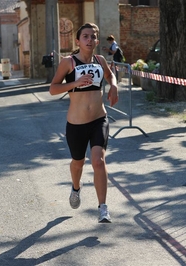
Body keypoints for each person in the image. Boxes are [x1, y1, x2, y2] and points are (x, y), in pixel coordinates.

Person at [49, 23, 119, 223]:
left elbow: (109, 74)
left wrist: (113, 85)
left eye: (93, 37)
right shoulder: (68, 62)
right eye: (86, 36)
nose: (90, 40)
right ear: (78, 41)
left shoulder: (100, 60)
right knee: (78, 163)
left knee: (98, 161)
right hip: (76, 124)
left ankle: (103, 208)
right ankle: (76, 187)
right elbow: (53, 88)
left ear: (97, 41)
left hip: (99, 119)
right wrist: (74, 84)